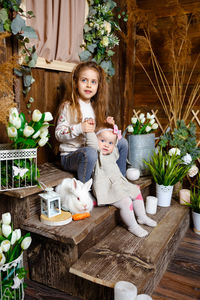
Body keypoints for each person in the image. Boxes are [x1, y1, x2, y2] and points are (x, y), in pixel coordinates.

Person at [55, 61, 128, 183]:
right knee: (90, 153)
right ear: (76, 82)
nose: (89, 85)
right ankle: (85, 189)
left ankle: (120, 180)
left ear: (98, 86)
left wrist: (107, 127)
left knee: (122, 143)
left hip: (92, 151)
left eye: (93, 82)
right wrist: (79, 128)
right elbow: (59, 134)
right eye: (84, 80)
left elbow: (97, 136)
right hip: (70, 156)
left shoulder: (95, 108)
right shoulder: (68, 107)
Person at [86, 124, 157, 237]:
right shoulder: (97, 153)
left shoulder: (113, 152)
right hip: (106, 188)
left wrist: (115, 128)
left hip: (119, 182)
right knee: (126, 201)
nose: (106, 145)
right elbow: (92, 141)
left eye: (110, 143)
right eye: (102, 140)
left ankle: (142, 217)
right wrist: (89, 131)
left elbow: (117, 142)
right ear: (96, 140)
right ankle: (132, 226)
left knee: (136, 191)